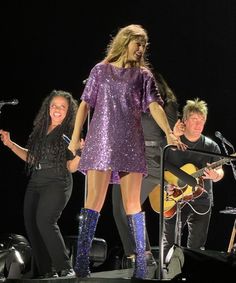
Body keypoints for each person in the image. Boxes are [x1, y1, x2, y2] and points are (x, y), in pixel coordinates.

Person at [68, 24, 185, 280]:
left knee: (132, 203)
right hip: (101, 141)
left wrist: (167, 132)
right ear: (125, 41)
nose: (141, 49)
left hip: (131, 143)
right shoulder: (100, 70)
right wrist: (76, 137)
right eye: (138, 44)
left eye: (144, 45)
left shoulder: (143, 75)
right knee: (94, 202)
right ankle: (81, 263)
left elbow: (155, 106)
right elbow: (85, 104)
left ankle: (141, 267)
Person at [0, 90, 82, 279]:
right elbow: (32, 157)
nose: (57, 109)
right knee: (31, 223)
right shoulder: (41, 129)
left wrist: (79, 155)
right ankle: (48, 271)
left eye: (62, 106)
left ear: (69, 111)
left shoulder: (70, 132)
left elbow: (71, 167)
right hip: (37, 179)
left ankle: (66, 267)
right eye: (54, 105)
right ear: (48, 108)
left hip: (58, 180)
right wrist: (11, 144)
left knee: (45, 220)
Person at [112, 73, 179, 276]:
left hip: (151, 160)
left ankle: (143, 255)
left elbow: (164, 133)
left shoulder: (167, 105)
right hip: (129, 158)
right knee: (119, 208)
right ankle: (140, 255)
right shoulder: (133, 104)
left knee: (128, 207)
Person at [162, 98, 224, 262]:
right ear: (184, 121)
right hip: (174, 199)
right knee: (169, 243)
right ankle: (167, 273)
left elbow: (220, 169)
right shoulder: (172, 142)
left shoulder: (211, 146)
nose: (199, 125)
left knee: (197, 248)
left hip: (202, 200)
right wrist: (165, 186)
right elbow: (157, 165)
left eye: (202, 120)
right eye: (195, 120)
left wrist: (216, 175)